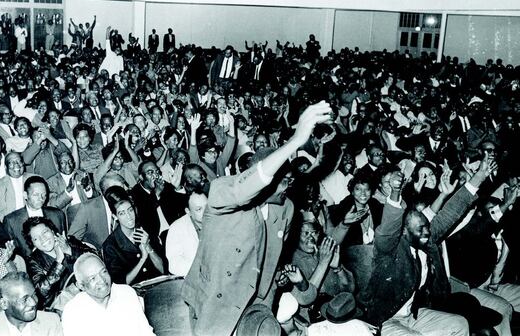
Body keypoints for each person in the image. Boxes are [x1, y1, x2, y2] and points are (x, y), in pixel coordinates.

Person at [182, 101, 333, 336]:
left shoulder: (285, 208)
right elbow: (245, 188)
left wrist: (275, 279)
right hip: (215, 301)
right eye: (283, 180)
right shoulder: (222, 191)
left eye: (291, 180)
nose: (289, 185)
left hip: (257, 304)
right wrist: (294, 140)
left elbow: (269, 256)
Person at [363, 155, 496, 334]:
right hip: (385, 319)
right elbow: (387, 228)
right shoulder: (389, 248)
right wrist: (395, 192)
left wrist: (479, 176)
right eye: (420, 229)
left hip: (413, 315)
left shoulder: (426, 237)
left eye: (427, 227)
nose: (427, 232)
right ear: (404, 232)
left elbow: (450, 212)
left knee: (459, 325)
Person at [62, 253, 154, 336]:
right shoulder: (73, 312)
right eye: (92, 278)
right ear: (81, 286)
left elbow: (146, 332)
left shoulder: (126, 293)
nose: (102, 280)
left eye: (103, 272)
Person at [23, 216, 95, 309]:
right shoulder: (33, 261)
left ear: (52, 232)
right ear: (33, 244)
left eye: (45, 232)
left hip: (90, 293)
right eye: (36, 238)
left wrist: (70, 251)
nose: (43, 239)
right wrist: (58, 261)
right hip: (63, 306)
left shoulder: (69, 242)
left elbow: (96, 258)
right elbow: (41, 292)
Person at [102, 186, 165, 285]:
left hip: (159, 285)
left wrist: (148, 247)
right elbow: (121, 283)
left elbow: (162, 269)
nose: (129, 216)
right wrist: (142, 259)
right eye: (122, 213)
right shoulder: (110, 245)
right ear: (115, 217)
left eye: (130, 210)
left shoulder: (145, 230)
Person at [0, 271, 63, 336]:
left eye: (34, 295)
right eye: (24, 299)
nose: (33, 303)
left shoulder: (51, 322)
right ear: (4, 304)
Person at [3, 176, 66, 258]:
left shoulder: (57, 215)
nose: (41, 199)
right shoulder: (11, 221)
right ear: (25, 195)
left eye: (44, 195)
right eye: (36, 195)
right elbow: (12, 254)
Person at [165, 190, 208, 277]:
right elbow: (174, 264)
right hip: (197, 279)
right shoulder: (176, 229)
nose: (206, 212)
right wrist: (202, 269)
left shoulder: (219, 218)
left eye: (207, 206)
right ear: (188, 211)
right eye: (199, 209)